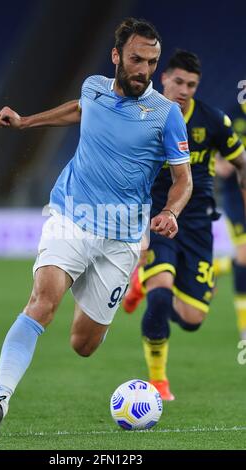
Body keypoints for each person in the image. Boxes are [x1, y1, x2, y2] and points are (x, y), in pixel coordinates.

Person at [0, 18, 193, 436]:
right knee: (42, 302)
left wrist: (171, 212)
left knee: (83, 345)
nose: (143, 69)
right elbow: (78, 109)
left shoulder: (166, 115)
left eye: (151, 61)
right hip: (70, 216)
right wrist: (25, 122)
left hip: (122, 237)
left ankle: (102, 291)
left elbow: (184, 180)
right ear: (116, 56)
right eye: (135, 59)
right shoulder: (94, 87)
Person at [122, 50, 246, 400]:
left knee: (192, 320)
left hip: (197, 225)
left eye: (191, 85)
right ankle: (158, 381)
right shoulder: (141, 116)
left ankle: (142, 282)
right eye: (178, 81)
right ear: (163, 78)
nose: (184, 90)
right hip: (156, 218)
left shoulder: (214, 120)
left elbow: (240, 163)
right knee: (160, 298)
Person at [214, 102, 246, 339]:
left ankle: (212, 267)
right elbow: (217, 161)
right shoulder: (231, 118)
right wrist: (224, 163)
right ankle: (244, 327)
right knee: (244, 256)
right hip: (235, 195)